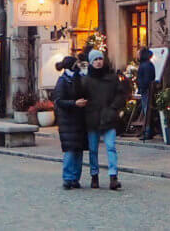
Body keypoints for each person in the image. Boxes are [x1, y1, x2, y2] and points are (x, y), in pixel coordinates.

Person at [83, 49, 126, 190]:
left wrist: (113, 108)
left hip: (109, 117)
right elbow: (80, 95)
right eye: (95, 60)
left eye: (100, 59)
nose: (98, 62)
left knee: (110, 147)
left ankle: (113, 176)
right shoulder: (86, 80)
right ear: (91, 62)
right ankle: (94, 175)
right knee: (93, 149)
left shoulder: (112, 78)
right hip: (93, 118)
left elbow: (120, 95)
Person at [53, 55, 88, 189]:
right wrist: (74, 103)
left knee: (79, 150)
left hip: (79, 120)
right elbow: (59, 101)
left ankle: (75, 178)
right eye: (77, 64)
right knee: (70, 150)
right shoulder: (63, 81)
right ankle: (67, 178)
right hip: (67, 121)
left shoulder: (78, 78)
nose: (79, 66)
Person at [136, 48, 156, 141]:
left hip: (146, 91)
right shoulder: (148, 64)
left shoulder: (145, 65)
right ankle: (149, 131)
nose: (137, 55)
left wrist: (142, 88)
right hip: (146, 90)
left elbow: (146, 79)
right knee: (147, 111)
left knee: (147, 111)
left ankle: (148, 132)